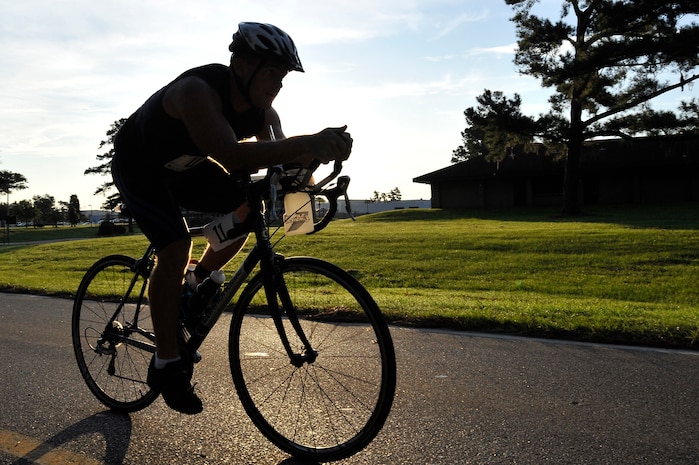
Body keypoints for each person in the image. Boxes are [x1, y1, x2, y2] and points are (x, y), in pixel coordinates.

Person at [112, 22, 352, 414]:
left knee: (246, 212)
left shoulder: (262, 113)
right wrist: (308, 143)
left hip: (186, 165)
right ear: (241, 66)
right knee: (175, 246)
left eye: (284, 76)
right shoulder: (196, 93)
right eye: (272, 72)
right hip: (140, 165)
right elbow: (233, 156)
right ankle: (167, 364)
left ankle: (194, 284)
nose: (278, 83)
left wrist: (316, 160)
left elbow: (280, 158)